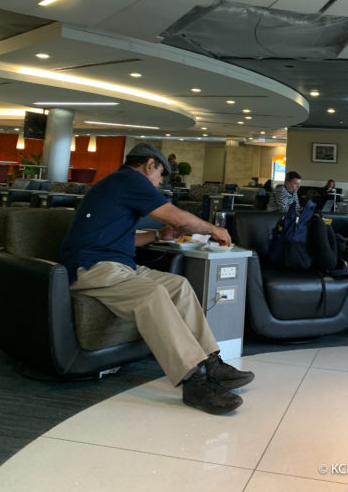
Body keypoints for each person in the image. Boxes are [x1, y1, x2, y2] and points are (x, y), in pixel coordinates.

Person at [60, 142, 254, 415]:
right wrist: (214, 229)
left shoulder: (117, 187)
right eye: (160, 174)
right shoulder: (130, 179)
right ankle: (194, 381)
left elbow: (122, 237)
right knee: (152, 294)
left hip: (117, 266)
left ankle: (211, 361)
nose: (159, 181)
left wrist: (157, 236)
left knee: (179, 285)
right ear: (149, 164)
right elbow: (178, 219)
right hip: (91, 268)